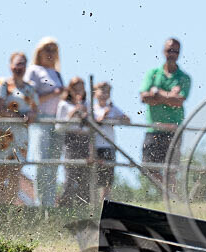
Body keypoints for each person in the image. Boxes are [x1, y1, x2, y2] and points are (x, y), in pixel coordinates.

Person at [0, 52, 38, 204]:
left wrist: (30, 116)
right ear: (10, 66)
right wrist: (19, 118)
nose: (20, 67)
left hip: (21, 135)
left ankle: (9, 207)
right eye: (17, 63)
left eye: (23, 63)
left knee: (16, 172)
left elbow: (35, 110)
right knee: (0, 173)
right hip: (3, 134)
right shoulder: (2, 83)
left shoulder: (30, 89)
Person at [140, 38, 190, 190]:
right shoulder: (153, 73)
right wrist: (170, 96)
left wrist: (157, 93)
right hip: (154, 129)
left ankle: (171, 201)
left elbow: (179, 101)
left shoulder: (184, 77)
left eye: (175, 51)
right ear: (163, 51)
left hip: (173, 129)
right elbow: (144, 97)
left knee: (171, 170)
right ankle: (169, 192)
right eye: (169, 50)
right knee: (147, 167)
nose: (172, 54)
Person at [25, 37, 64, 206]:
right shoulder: (33, 70)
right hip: (41, 121)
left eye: (53, 50)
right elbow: (29, 97)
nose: (50, 53)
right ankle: (40, 203)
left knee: (53, 164)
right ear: (39, 52)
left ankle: (49, 203)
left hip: (57, 122)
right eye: (47, 49)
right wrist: (54, 93)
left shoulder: (57, 74)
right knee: (41, 162)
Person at [55, 77, 90, 207]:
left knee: (85, 174)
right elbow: (59, 127)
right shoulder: (64, 104)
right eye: (75, 88)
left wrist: (86, 116)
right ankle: (65, 204)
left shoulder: (87, 105)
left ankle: (84, 206)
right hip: (71, 140)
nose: (78, 91)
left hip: (85, 140)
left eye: (81, 87)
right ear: (70, 89)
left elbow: (92, 127)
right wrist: (71, 115)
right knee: (70, 173)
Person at [93, 81, 130, 200]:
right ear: (95, 94)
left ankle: (105, 200)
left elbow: (127, 120)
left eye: (107, 92)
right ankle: (96, 202)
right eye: (102, 91)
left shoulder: (113, 108)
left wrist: (119, 118)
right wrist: (105, 115)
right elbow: (95, 123)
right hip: (96, 146)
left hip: (109, 145)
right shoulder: (93, 109)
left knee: (108, 175)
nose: (104, 94)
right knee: (96, 174)